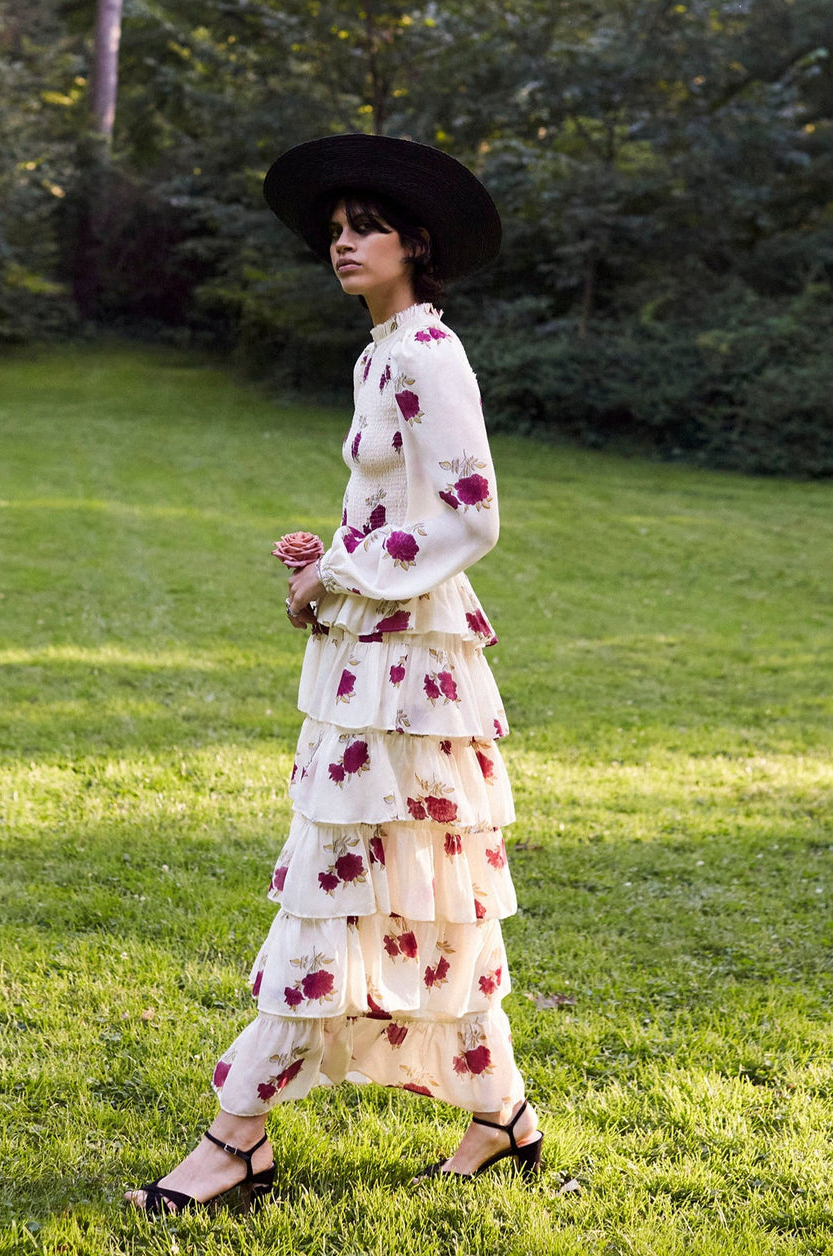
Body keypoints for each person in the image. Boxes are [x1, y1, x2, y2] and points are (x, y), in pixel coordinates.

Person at [126, 133, 542, 1216]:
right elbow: (399, 508)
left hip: (410, 672)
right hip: (378, 663)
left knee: (335, 894)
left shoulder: (426, 352)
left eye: (365, 229)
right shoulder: (379, 352)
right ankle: (500, 1112)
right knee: (414, 892)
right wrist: (327, 563)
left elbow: (472, 514)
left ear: (416, 244)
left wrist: (347, 573)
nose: (343, 245)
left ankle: (235, 1141)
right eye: (335, 231)